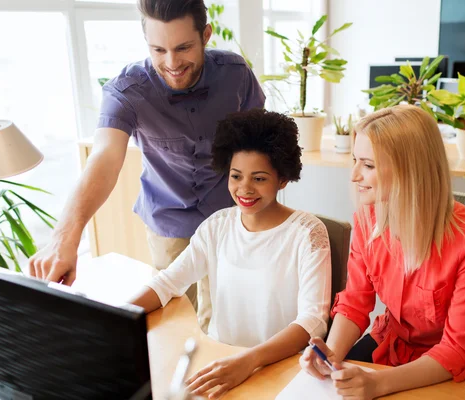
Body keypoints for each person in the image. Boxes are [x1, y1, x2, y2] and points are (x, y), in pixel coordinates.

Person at [28, 0, 265, 322]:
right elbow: (105, 156)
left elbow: (258, 138)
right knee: (177, 317)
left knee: (230, 315)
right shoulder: (126, 91)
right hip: (170, 221)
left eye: (183, 48)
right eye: (158, 50)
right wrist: (64, 239)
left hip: (232, 216)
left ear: (206, 35)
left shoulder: (235, 74)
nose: (172, 62)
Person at [300, 105, 465, 399]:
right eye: (355, 160)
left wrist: (377, 384)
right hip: (391, 347)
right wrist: (331, 354)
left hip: (453, 369)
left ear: (411, 170)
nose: (354, 175)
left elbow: (458, 349)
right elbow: (355, 303)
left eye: (368, 165)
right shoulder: (368, 219)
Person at [130, 109, 332, 399]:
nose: (244, 189)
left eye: (259, 178)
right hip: (219, 360)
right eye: (236, 176)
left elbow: (312, 320)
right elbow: (168, 282)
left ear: (283, 179)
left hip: (278, 367)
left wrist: (249, 361)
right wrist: (115, 316)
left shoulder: (307, 233)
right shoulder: (217, 226)